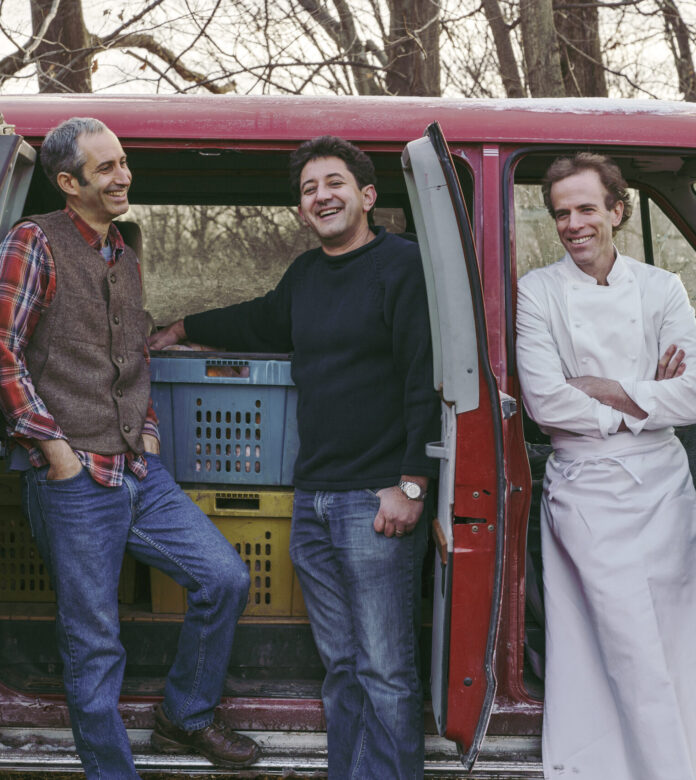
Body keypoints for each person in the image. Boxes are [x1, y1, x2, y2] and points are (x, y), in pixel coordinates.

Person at [150, 135, 441, 779]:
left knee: (386, 670)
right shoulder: (307, 275)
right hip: (312, 500)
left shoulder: (403, 266)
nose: (321, 196)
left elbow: (428, 377)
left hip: (376, 500)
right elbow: (260, 320)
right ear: (303, 211)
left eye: (334, 183)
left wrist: (413, 484)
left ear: (367, 196)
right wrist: (183, 327)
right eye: (309, 190)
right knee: (342, 666)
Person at [0, 117, 260, 779]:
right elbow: (3, 353)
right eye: (108, 167)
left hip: (137, 469)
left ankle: (187, 715)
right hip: (76, 479)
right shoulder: (36, 242)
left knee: (224, 579)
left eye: (123, 162)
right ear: (68, 183)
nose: (124, 176)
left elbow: (131, 353)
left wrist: (147, 429)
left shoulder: (123, 252)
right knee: (94, 645)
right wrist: (53, 447)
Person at [515, 152, 696, 779]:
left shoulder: (661, 288)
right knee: (615, 647)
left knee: (672, 643)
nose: (573, 223)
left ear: (617, 211)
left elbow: (694, 393)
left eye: (587, 208)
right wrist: (646, 393)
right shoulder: (537, 291)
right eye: (561, 212)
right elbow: (545, 402)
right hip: (585, 489)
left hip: (664, 491)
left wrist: (605, 388)